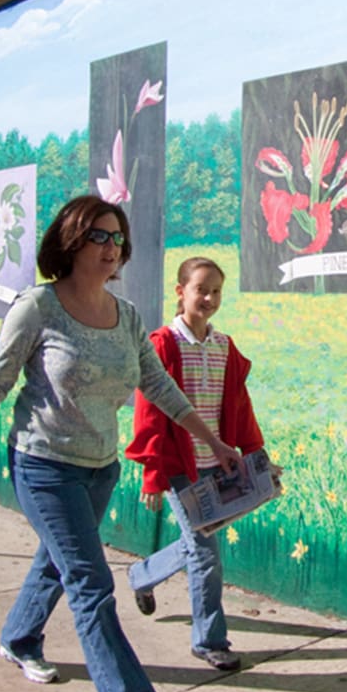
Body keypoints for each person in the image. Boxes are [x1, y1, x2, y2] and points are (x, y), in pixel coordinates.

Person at [0, 195, 239, 692]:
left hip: (99, 469)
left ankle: (18, 637)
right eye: (100, 236)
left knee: (58, 561)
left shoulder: (126, 316)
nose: (112, 248)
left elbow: (160, 388)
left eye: (118, 238)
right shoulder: (38, 308)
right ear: (72, 241)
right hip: (42, 464)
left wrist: (214, 441)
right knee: (91, 583)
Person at [124, 256, 267, 671]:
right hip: (178, 467)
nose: (208, 298)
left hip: (216, 467)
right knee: (206, 554)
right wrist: (152, 474)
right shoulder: (164, 344)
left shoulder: (223, 347)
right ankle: (209, 640)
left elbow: (240, 407)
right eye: (201, 289)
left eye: (216, 291)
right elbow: (149, 413)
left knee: (198, 545)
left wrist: (255, 457)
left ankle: (142, 575)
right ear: (180, 291)